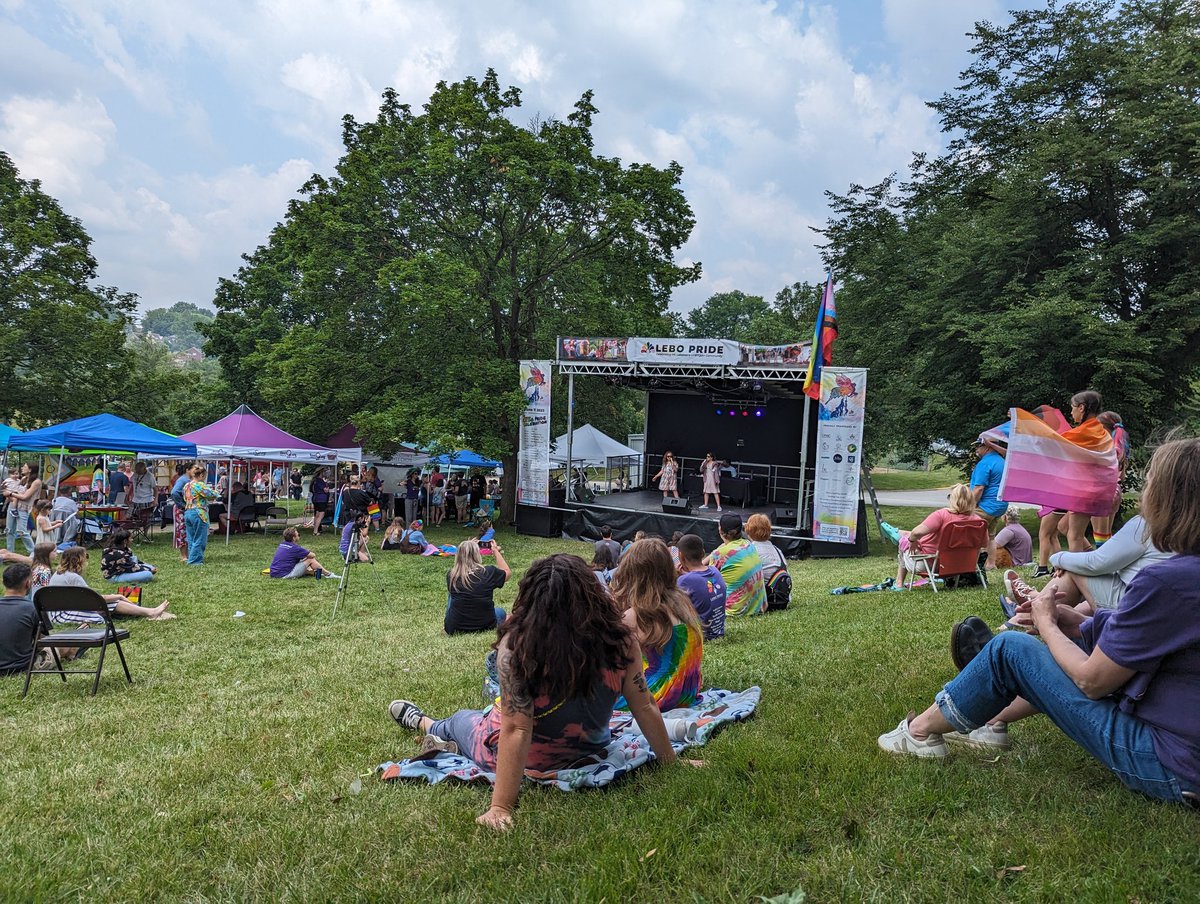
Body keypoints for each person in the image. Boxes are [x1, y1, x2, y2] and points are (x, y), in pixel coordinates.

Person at [879, 436, 1200, 812]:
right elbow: (1157, 643)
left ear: (1167, 501)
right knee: (1052, 643)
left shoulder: (1170, 581)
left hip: (1176, 767)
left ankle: (919, 732)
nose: (1141, 495)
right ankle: (990, 715)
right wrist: (1072, 621)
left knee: (1010, 649)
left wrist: (1047, 623)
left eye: (1147, 485)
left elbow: (1092, 681)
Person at [388, 553, 681, 831]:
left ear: (532, 600)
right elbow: (644, 706)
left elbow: (516, 728)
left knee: (463, 720)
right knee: (489, 714)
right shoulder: (621, 641)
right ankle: (438, 731)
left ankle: (425, 723)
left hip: (533, 760)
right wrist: (671, 762)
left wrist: (501, 807)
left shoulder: (518, 650)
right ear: (593, 595)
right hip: (591, 748)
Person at [1001, 514, 1172, 628]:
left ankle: (1028, 613)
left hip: (1140, 610)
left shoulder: (1151, 524)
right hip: (1170, 610)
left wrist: (1059, 559)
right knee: (1090, 572)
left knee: (1076, 570)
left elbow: (1096, 563)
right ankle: (1034, 603)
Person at [612, 538, 703, 712]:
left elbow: (610, 660)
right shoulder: (682, 603)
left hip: (658, 694)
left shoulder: (637, 615)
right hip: (686, 690)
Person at [893, 484, 982, 589]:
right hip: (960, 565)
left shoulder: (942, 515)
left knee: (903, 540)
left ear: (952, 499)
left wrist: (912, 541)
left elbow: (916, 533)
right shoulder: (978, 521)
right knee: (907, 538)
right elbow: (984, 543)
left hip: (930, 564)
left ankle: (899, 583)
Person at [49, 547, 171, 620]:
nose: (87, 560)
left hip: (59, 611)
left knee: (112, 603)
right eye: (85, 556)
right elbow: (93, 599)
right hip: (66, 614)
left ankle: (148, 611)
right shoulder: (73, 577)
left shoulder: (59, 573)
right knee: (113, 604)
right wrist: (118, 596)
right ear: (78, 560)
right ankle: (151, 612)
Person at [445, 538, 511, 634]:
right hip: (485, 624)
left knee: (453, 593)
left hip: (454, 627)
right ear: (477, 554)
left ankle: (457, 619)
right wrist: (496, 551)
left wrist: (468, 545)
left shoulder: (451, 575)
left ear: (458, 555)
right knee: (500, 612)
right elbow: (507, 573)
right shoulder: (488, 572)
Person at [708, 513, 766, 617]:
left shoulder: (720, 554)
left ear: (720, 529)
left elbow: (709, 583)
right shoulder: (748, 544)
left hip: (734, 611)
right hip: (757, 608)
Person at [676, 534, 727, 640]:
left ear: (681, 556)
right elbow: (699, 581)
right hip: (718, 631)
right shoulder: (715, 571)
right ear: (703, 553)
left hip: (701, 636)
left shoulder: (684, 581)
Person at [1092, 411, 1131, 547]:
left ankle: (1104, 565)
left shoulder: (1106, 448)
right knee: (1106, 534)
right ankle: (1106, 562)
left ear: (1103, 428)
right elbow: (1123, 475)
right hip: (1116, 490)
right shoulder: (1120, 447)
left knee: (1100, 536)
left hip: (1102, 491)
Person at [969, 437, 1008, 568]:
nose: (976, 449)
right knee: (991, 536)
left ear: (987, 446)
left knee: (971, 536)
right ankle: (991, 564)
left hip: (985, 506)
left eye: (978, 446)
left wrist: (969, 506)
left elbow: (979, 488)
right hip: (1000, 505)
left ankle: (972, 564)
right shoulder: (1002, 461)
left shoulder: (985, 463)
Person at [0, 563, 39, 675]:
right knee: (59, 647)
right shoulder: (33, 607)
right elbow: (42, 640)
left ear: (4, 583)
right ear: (28, 583)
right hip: (20, 666)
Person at [183, 464, 218, 566]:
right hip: (199, 513)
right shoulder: (199, 485)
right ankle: (195, 561)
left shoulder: (187, 485)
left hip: (188, 512)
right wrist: (216, 492)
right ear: (202, 475)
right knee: (200, 538)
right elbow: (211, 494)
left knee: (191, 537)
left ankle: (192, 557)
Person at [269, 527, 335, 579]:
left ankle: (318, 573)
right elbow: (312, 555)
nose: (299, 536)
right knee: (310, 560)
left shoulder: (282, 544)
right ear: (294, 538)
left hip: (273, 573)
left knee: (306, 565)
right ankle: (328, 574)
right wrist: (306, 555)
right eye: (298, 535)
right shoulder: (295, 548)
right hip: (284, 575)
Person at [5, 462, 42, 555]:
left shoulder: (36, 482)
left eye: (24, 467)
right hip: (13, 505)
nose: (22, 468)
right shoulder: (24, 479)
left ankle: (34, 553)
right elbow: (16, 490)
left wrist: (10, 494)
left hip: (23, 508)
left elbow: (25, 497)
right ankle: (10, 553)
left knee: (22, 531)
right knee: (9, 530)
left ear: (30, 469)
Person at [169, 462, 191, 563]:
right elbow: (174, 492)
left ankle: (187, 554)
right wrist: (182, 505)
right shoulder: (183, 479)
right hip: (181, 509)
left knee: (187, 531)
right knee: (182, 532)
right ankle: (183, 555)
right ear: (187, 470)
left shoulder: (187, 480)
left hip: (185, 508)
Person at [310, 468, 330, 536]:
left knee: (317, 514)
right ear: (321, 472)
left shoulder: (315, 481)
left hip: (316, 499)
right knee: (321, 515)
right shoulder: (320, 481)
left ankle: (316, 529)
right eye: (324, 471)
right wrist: (327, 485)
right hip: (321, 499)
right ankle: (315, 531)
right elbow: (326, 490)